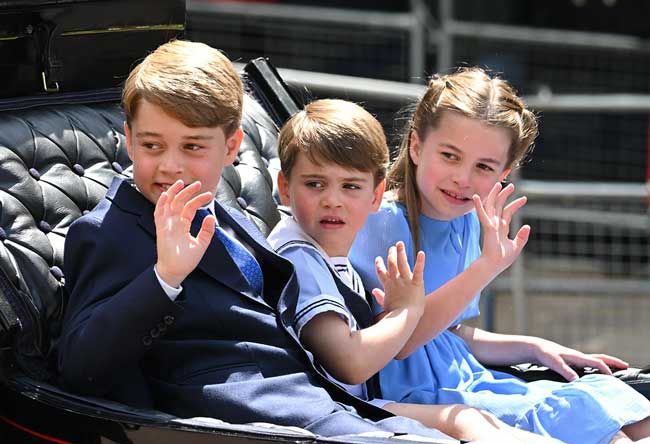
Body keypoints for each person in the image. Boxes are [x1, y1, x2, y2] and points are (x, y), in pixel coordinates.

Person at [56, 39, 457, 442]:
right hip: (239, 417)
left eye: (192, 146)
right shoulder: (107, 230)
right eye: (151, 145)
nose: (170, 165)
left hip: (315, 397)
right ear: (128, 138)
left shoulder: (220, 211)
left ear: (231, 146)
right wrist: (165, 277)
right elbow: (80, 365)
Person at [348, 67, 650, 444]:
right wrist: (486, 266)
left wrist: (534, 347)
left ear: (504, 173)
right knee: (588, 419)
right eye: (449, 156)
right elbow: (401, 343)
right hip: (421, 397)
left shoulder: (470, 223)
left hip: (473, 380)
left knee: (625, 405)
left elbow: (452, 335)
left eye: (484, 167)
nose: (463, 178)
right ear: (415, 147)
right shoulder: (384, 223)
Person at [268, 98, 560, 444]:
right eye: (315, 184)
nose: (333, 200)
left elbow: (443, 334)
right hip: (347, 409)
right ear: (284, 187)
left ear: (374, 194)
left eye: (350, 186)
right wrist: (407, 309)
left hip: (361, 401)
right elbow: (352, 364)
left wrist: (532, 345)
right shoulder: (299, 256)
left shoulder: (329, 253)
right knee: (475, 422)